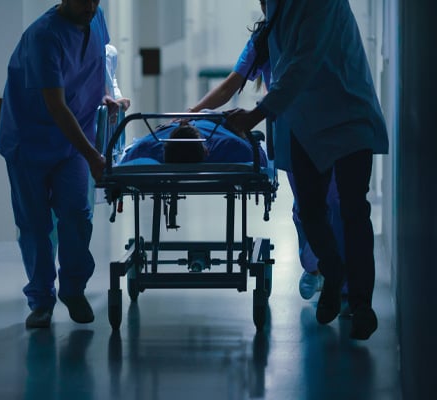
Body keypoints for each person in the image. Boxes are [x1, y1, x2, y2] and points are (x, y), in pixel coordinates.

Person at [225, 0, 389, 340]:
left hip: (348, 113)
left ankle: (361, 307)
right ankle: (332, 272)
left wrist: (255, 115)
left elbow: (302, 64)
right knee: (310, 212)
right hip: (304, 122)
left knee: (353, 211)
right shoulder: (275, 8)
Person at [187, 0, 344, 302]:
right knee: (306, 208)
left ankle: (342, 281)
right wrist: (194, 111)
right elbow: (230, 85)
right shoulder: (262, 40)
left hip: (328, 124)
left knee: (336, 202)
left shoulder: (312, 24)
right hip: (291, 131)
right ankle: (314, 267)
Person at [0, 0, 114, 329]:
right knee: (36, 225)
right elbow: (56, 106)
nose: (90, 5)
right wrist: (93, 155)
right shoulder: (44, 37)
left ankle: (73, 289)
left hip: (74, 141)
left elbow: (98, 63)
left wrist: (107, 94)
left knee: (77, 214)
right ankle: (41, 299)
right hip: (29, 141)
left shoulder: (96, 18)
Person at [118, 119, 267, 166]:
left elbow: (123, 162)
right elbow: (260, 159)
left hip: (210, 122)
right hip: (218, 124)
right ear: (207, 151)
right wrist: (245, 136)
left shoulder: (146, 147)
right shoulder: (230, 145)